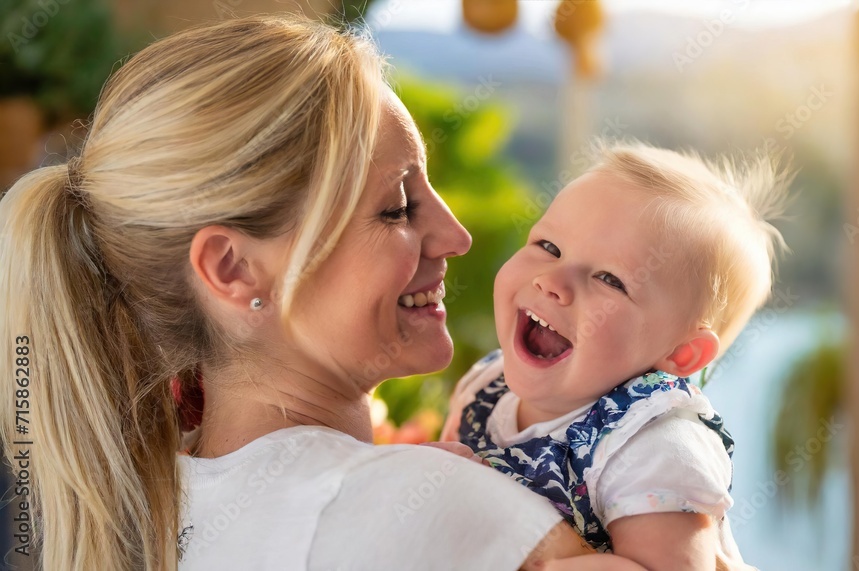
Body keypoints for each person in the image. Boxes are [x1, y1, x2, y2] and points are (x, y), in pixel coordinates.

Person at [0, 15, 595, 571]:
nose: (455, 236)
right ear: (233, 269)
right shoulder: (431, 505)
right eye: (396, 209)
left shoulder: (162, 510)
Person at [439, 142, 791, 570]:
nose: (553, 281)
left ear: (681, 353)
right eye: (549, 246)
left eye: (610, 279)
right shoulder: (485, 388)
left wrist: (531, 556)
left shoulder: (654, 442)